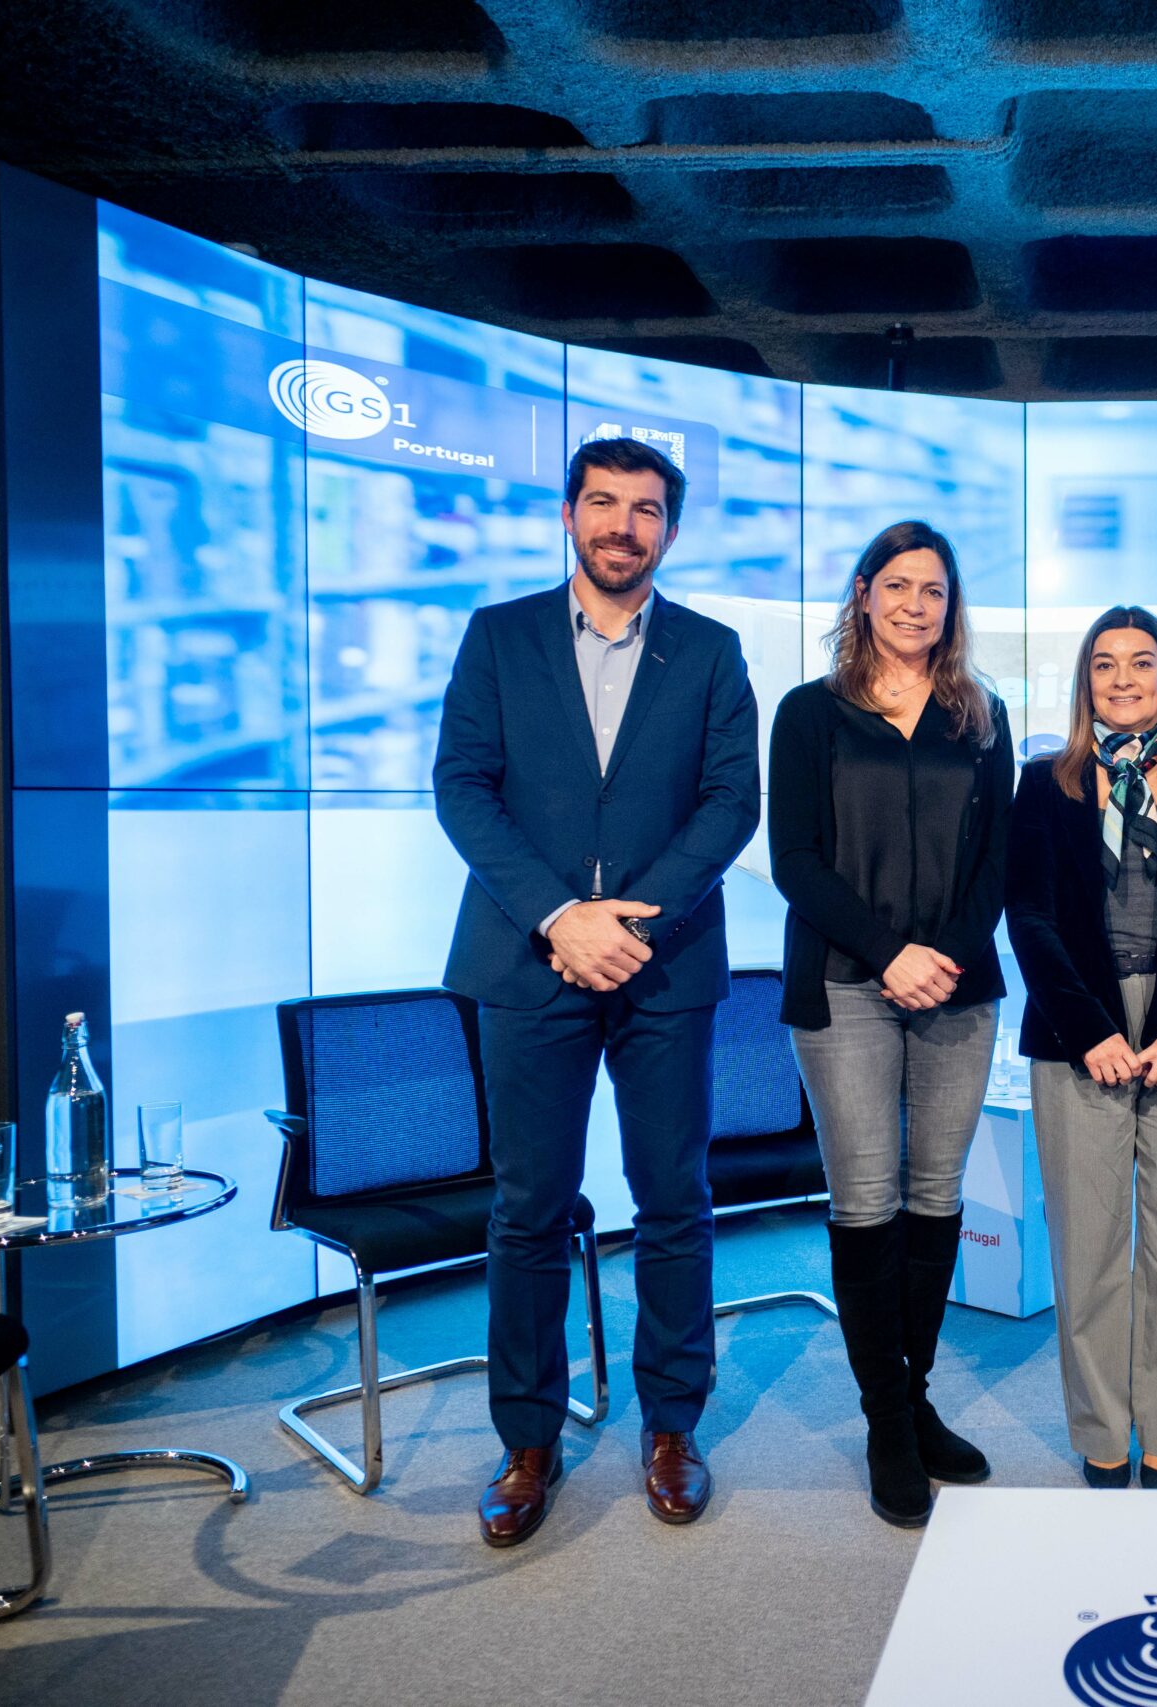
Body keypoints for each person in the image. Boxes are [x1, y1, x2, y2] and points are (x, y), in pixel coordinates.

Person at [434, 437, 761, 1548]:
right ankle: (528, 1441)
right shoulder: (499, 635)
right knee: (530, 1206)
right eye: (606, 503)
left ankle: (673, 1425)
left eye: (647, 509)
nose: (625, 525)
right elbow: (463, 789)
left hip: (665, 963)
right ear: (569, 514)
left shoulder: (710, 650)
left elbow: (729, 803)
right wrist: (559, 917)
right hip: (527, 958)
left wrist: (630, 924)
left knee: (673, 1198)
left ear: (671, 528)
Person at [769, 519, 1013, 1529]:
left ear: (952, 608)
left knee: (935, 1195)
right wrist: (889, 954)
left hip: (957, 984)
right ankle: (885, 1422)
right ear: (863, 592)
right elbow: (794, 860)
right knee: (866, 1199)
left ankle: (914, 1399)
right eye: (899, 585)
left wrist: (941, 955)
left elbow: (998, 861)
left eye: (935, 590)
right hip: (844, 985)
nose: (917, 605)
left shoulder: (981, 715)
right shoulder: (809, 712)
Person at [1006, 607, 1157, 1490]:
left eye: (1141, 662)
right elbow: (1029, 917)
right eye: (1104, 664)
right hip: (1079, 1029)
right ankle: (1103, 1431)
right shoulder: (1045, 783)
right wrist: (1090, 1030)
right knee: (1089, 1246)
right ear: (1084, 683)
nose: (1122, 679)